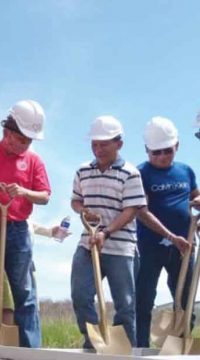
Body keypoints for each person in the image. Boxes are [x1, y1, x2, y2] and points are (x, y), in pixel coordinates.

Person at [0, 100, 50, 347]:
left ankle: (32, 350)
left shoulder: (34, 161)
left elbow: (45, 195)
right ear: (8, 131)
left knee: (25, 293)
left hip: (17, 232)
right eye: (22, 139)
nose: (26, 145)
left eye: (29, 141)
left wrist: (22, 192)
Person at [70, 115, 146, 348]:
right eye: (94, 144)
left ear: (119, 144)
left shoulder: (130, 173)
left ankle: (123, 350)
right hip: (88, 244)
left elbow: (131, 210)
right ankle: (95, 344)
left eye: (104, 144)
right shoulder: (83, 171)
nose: (98, 149)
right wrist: (84, 212)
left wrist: (107, 232)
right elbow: (76, 201)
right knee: (81, 295)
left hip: (120, 247)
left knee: (125, 304)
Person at [135, 117, 199, 347]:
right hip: (151, 247)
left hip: (184, 248)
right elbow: (141, 211)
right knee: (144, 298)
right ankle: (140, 347)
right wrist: (171, 236)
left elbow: (195, 196)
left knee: (185, 300)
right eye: (156, 152)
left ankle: (180, 345)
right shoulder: (140, 173)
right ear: (146, 150)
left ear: (177, 146)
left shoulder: (186, 171)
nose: (162, 157)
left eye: (167, 151)